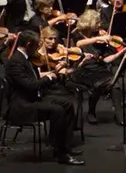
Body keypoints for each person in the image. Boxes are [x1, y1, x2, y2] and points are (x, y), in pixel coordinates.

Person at [5, 30, 84, 165]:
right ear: (29, 44)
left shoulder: (25, 58)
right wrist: (49, 77)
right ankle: (61, 154)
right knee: (57, 110)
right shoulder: (16, 61)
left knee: (67, 104)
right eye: (36, 45)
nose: (37, 49)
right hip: (22, 105)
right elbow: (30, 85)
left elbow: (34, 79)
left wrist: (54, 72)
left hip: (32, 99)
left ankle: (63, 146)